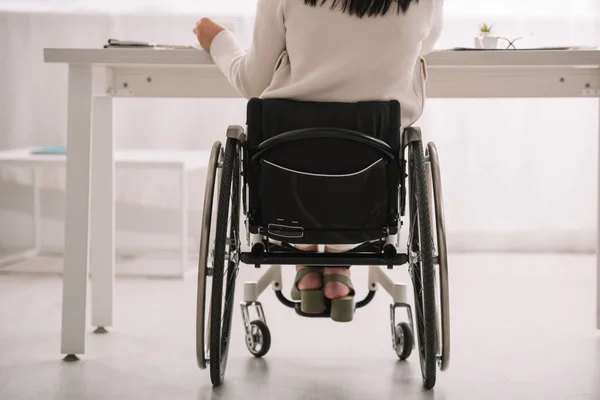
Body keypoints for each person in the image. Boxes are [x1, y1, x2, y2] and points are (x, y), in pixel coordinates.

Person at [193, 0, 444, 322]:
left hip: (286, 184)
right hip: (368, 187)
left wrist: (220, 40)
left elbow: (252, 83)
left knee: (295, 152)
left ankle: (307, 263)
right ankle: (337, 265)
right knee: (359, 152)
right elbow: (425, 43)